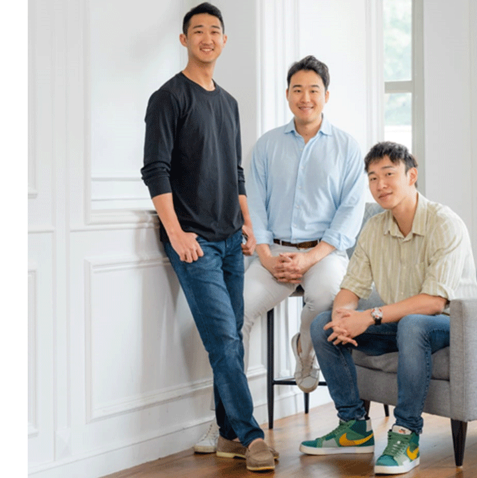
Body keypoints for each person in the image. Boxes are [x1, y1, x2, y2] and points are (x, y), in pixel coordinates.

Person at [193, 55, 365, 453]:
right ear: (287, 94)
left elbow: (349, 213)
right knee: (233, 318)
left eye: (313, 90)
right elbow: (254, 205)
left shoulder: (346, 147)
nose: (305, 98)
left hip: (324, 254)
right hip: (272, 255)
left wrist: (309, 258)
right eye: (297, 90)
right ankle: (226, 423)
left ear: (326, 96)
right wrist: (268, 256)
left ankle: (305, 352)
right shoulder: (267, 145)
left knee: (325, 296)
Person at [140, 2, 277, 472]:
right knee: (223, 338)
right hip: (193, 242)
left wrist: (247, 223)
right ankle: (252, 437)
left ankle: (227, 435)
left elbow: (234, 170)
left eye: (214, 30)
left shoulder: (229, 103)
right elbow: (155, 170)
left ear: (224, 40)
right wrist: (176, 232)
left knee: (231, 338)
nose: (207, 37)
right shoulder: (168, 97)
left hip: (230, 240)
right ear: (184, 40)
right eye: (197, 30)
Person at [298, 142, 477, 475]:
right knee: (322, 325)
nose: (380, 184)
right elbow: (351, 288)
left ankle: (406, 434)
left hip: (453, 324)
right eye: (372, 177)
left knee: (413, 323)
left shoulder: (444, 223)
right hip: (402, 323)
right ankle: (353, 427)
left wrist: (369, 317)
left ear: (411, 176)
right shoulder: (373, 228)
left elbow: (434, 302)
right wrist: (342, 319)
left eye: (388, 174)